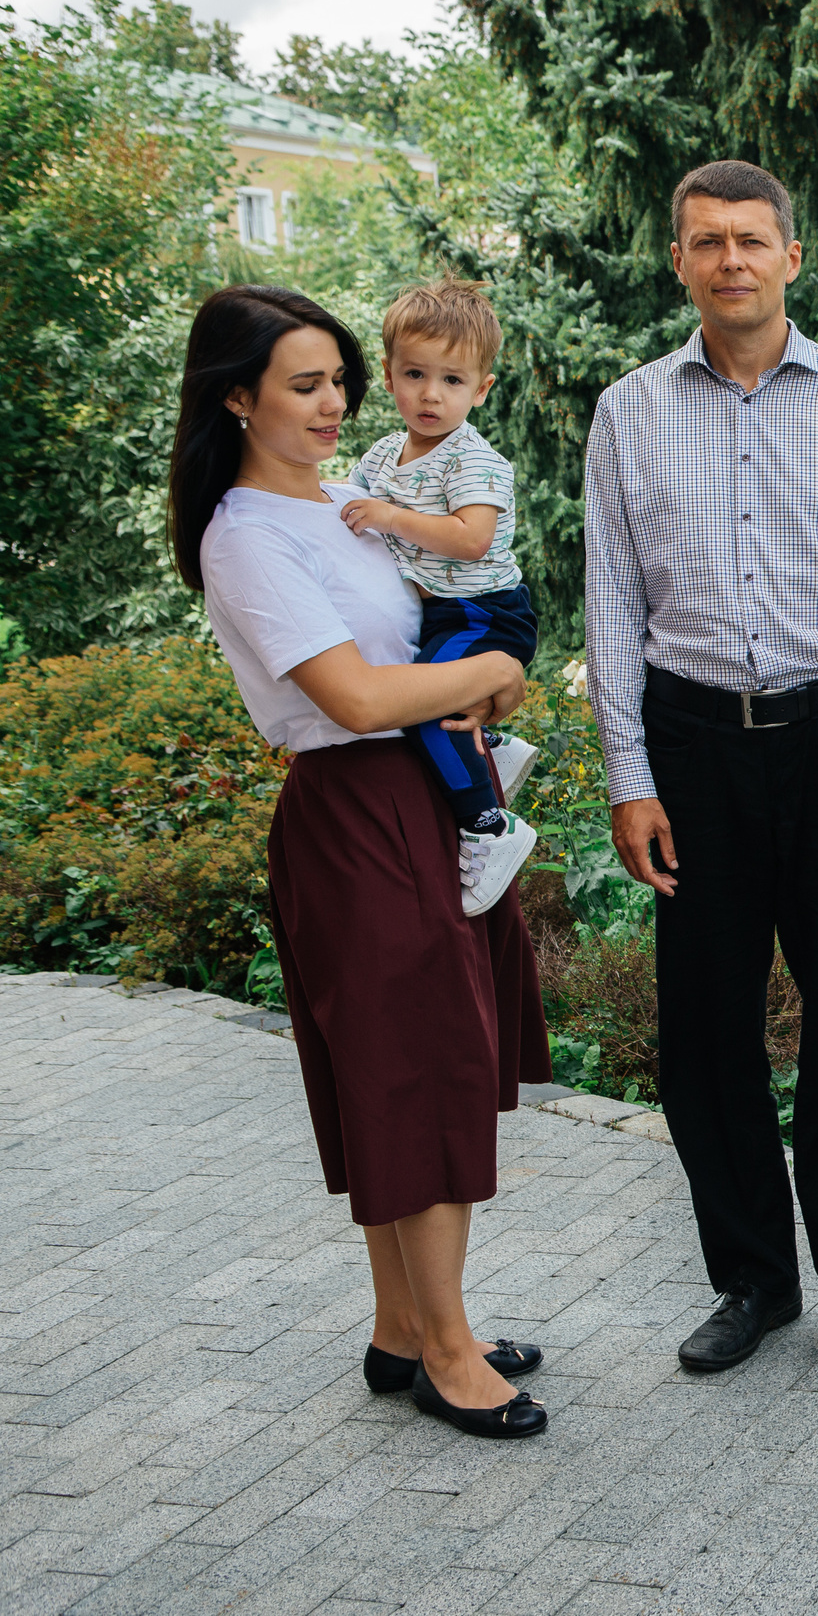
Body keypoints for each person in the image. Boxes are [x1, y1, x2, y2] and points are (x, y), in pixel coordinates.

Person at [171, 284, 552, 1440]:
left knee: (419, 1073)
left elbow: (451, 611)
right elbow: (354, 694)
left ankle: (405, 1326)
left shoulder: (349, 498)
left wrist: (489, 674)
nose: (336, 403)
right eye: (304, 385)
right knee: (414, 1080)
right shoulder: (242, 538)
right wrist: (492, 679)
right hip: (356, 812)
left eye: (339, 378)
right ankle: (448, 1353)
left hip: (424, 802)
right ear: (236, 400)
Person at [586, 160, 818, 1376]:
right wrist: (631, 777)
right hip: (690, 747)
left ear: (792, 256)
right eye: (705, 241)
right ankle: (751, 1280)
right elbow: (610, 603)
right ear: (677, 262)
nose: (730, 259)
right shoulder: (628, 410)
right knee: (703, 1035)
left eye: (750, 239)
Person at [343, 276, 541, 913]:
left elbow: (471, 540)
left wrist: (389, 517)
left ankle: (491, 826)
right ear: (389, 374)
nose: (431, 395)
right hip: (440, 613)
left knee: (425, 704)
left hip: (486, 613)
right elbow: (344, 506)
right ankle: (493, 748)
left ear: (481, 389)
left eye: (453, 381)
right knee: (427, 694)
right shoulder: (380, 457)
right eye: (415, 374)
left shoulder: (472, 460)